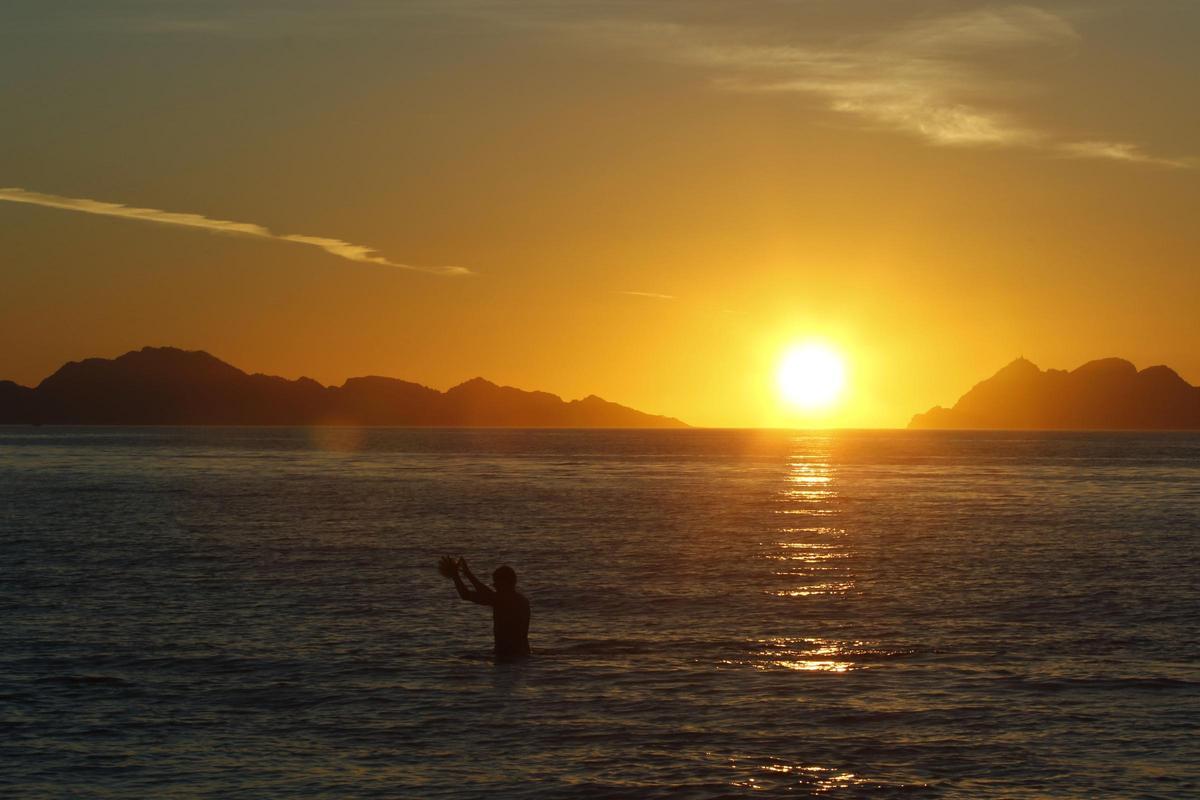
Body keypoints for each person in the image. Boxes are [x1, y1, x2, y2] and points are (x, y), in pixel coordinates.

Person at [442, 556, 530, 661]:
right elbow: (487, 594)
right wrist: (467, 574)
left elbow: (466, 594)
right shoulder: (522, 600)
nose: (494, 586)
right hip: (523, 654)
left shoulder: (501, 600)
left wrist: (457, 576)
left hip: (506, 655)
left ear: (505, 583)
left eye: (496, 583)